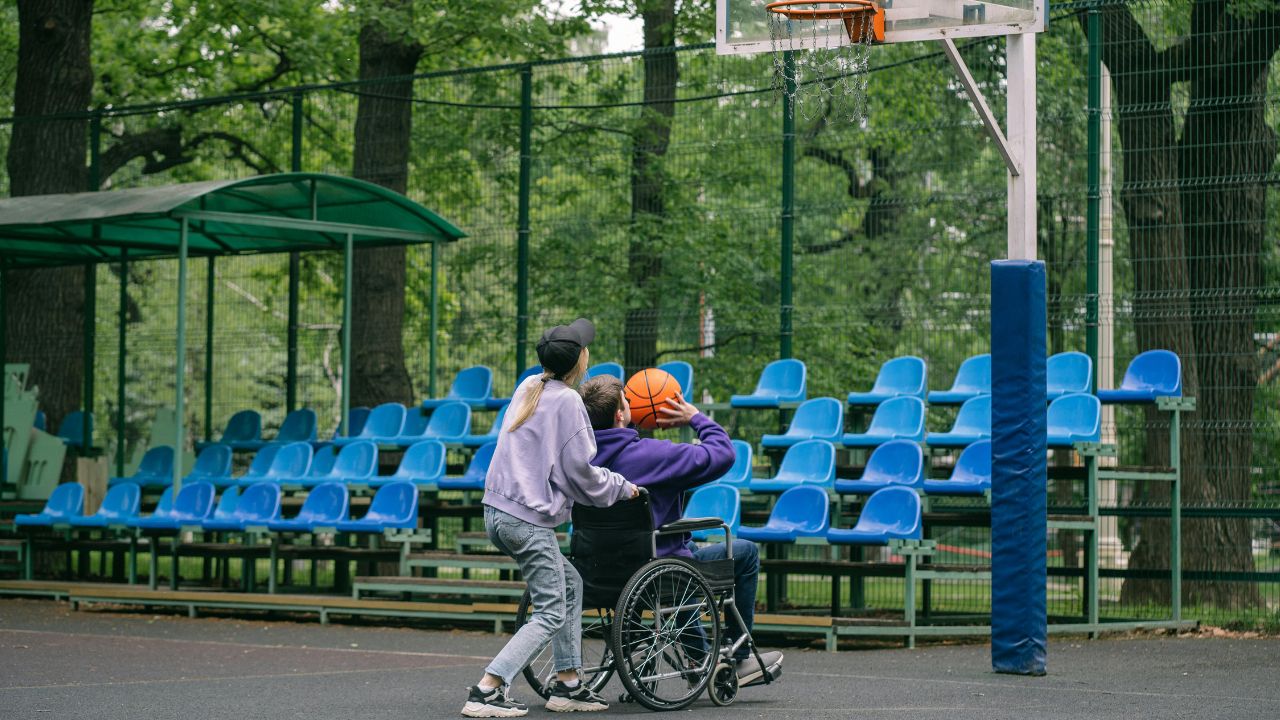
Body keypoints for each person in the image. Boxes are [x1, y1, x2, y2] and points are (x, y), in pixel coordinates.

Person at [463, 319, 640, 718]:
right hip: (526, 520)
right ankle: (488, 689)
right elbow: (579, 473)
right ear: (580, 359)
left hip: (498, 512)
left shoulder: (529, 386)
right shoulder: (568, 401)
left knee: (570, 583)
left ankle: (569, 683)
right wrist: (620, 487)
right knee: (550, 611)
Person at [578, 375, 784, 686]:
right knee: (742, 553)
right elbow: (723, 453)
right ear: (621, 414)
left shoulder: (578, 459)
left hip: (598, 571)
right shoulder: (652, 455)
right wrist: (694, 417)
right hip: (658, 571)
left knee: (678, 557)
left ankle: (698, 656)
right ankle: (737, 659)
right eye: (626, 402)